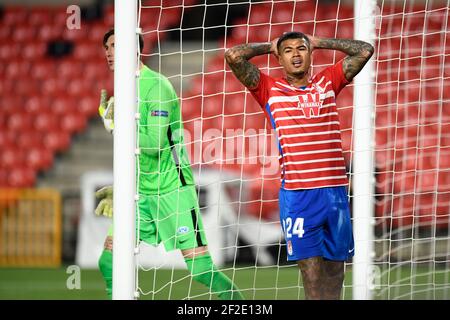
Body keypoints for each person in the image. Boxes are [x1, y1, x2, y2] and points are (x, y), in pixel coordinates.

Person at [95, 28, 244, 300]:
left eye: (115, 45)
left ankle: (236, 304)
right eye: (106, 46)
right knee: (108, 262)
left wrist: (116, 125)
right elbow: (134, 152)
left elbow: (152, 144)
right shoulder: (123, 92)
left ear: (135, 48)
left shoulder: (157, 86)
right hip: (139, 194)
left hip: (172, 190)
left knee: (201, 271)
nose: (108, 51)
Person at [225, 31, 374, 300]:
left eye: (301, 48)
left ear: (310, 53)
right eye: (288, 50)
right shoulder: (269, 89)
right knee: (311, 273)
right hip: (299, 196)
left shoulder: (327, 82)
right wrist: (268, 45)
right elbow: (233, 56)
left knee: (336, 272)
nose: (296, 54)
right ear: (279, 58)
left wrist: (320, 41)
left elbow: (364, 50)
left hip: (334, 194)